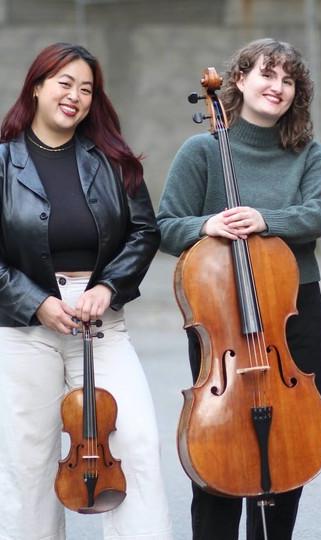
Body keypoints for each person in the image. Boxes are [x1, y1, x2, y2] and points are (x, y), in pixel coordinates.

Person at [157, 38, 321, 540]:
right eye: (266, 74)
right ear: (238, 79)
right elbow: (167, 225)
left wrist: (265, 218)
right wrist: (206, 225)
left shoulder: (306, 153)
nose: (277, 87)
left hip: (292, 312)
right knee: (220, 442)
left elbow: (318, 214)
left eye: (287, 79)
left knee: (289, 440)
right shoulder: (202, 151)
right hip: (220, 315)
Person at [0, 43, 172, 540]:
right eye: (64, 83)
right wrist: (35, 302)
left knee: (134, 445)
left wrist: (110, 286)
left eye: (86, 88)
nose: (75, 96)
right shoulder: (3, 161)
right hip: (24, 329)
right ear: (36, 86)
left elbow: (145, 232)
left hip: (103, 326)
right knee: (26, 465)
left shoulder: (111, 160)